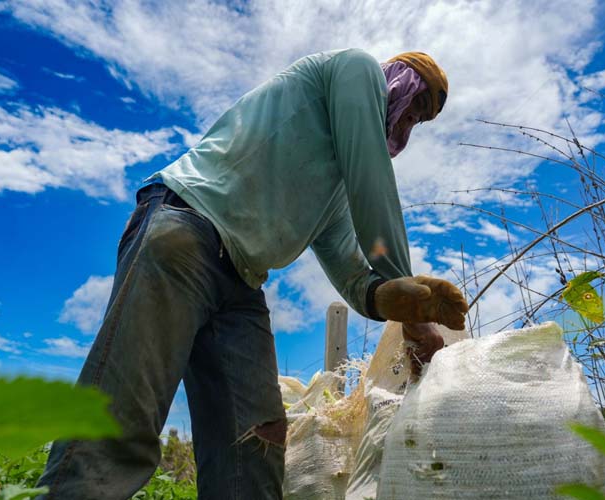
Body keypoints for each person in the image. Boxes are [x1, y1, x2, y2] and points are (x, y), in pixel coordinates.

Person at [35, 48, 468, 499]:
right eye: (415, 102)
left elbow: (348, 263)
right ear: (396, 80)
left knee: (252, 453)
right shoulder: (355, 69)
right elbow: (372, 183)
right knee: (118, 430)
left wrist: (386, 296)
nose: (409, 120)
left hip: (242, 283)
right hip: (184, 231)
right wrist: (415, 318)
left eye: (421, 118)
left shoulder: (335, 187)